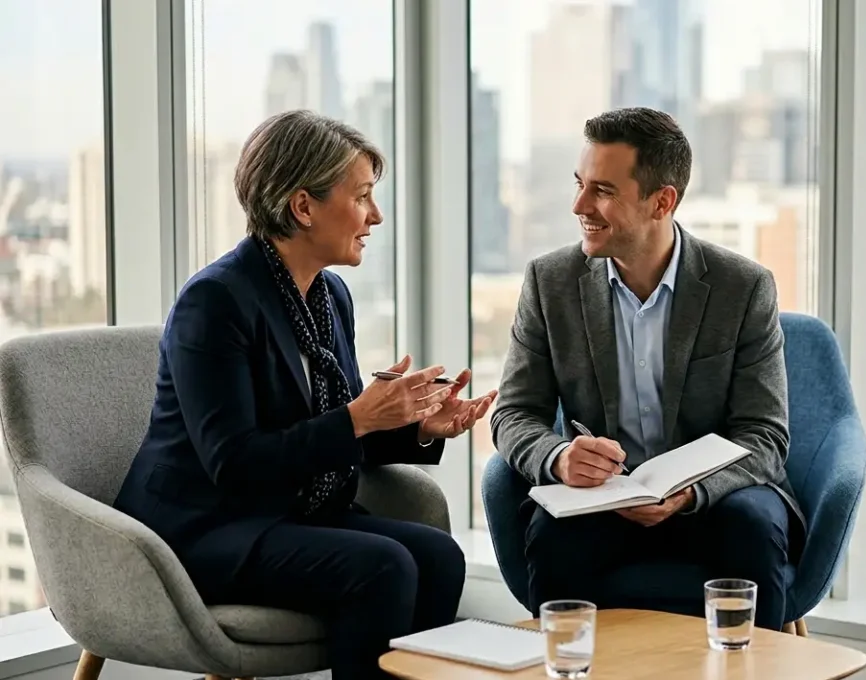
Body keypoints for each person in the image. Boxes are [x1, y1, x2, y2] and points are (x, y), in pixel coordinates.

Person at [113, 110, 496, 680]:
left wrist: (413, 425)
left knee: (439, 556)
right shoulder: (214, 302)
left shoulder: (330, 295)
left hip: (287, 512)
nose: (376, 215)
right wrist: (359, 417)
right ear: (303, 207)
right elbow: (234, 463)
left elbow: (327, 430)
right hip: (204, 527)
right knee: (383, 566)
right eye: (362, 197)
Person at [490, 107, 803, 631]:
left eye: (602, 191)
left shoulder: (743, 287)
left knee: (752, 526)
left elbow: (764, 434)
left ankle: (752, 665)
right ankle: (569, 667)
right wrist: (560, 457)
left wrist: (691, 492)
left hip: (715, 501)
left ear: (662, 201)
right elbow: (514, 413)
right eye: (580, 184)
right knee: (551, 536)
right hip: (600, 503)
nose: (579, 206)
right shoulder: (550, 283)